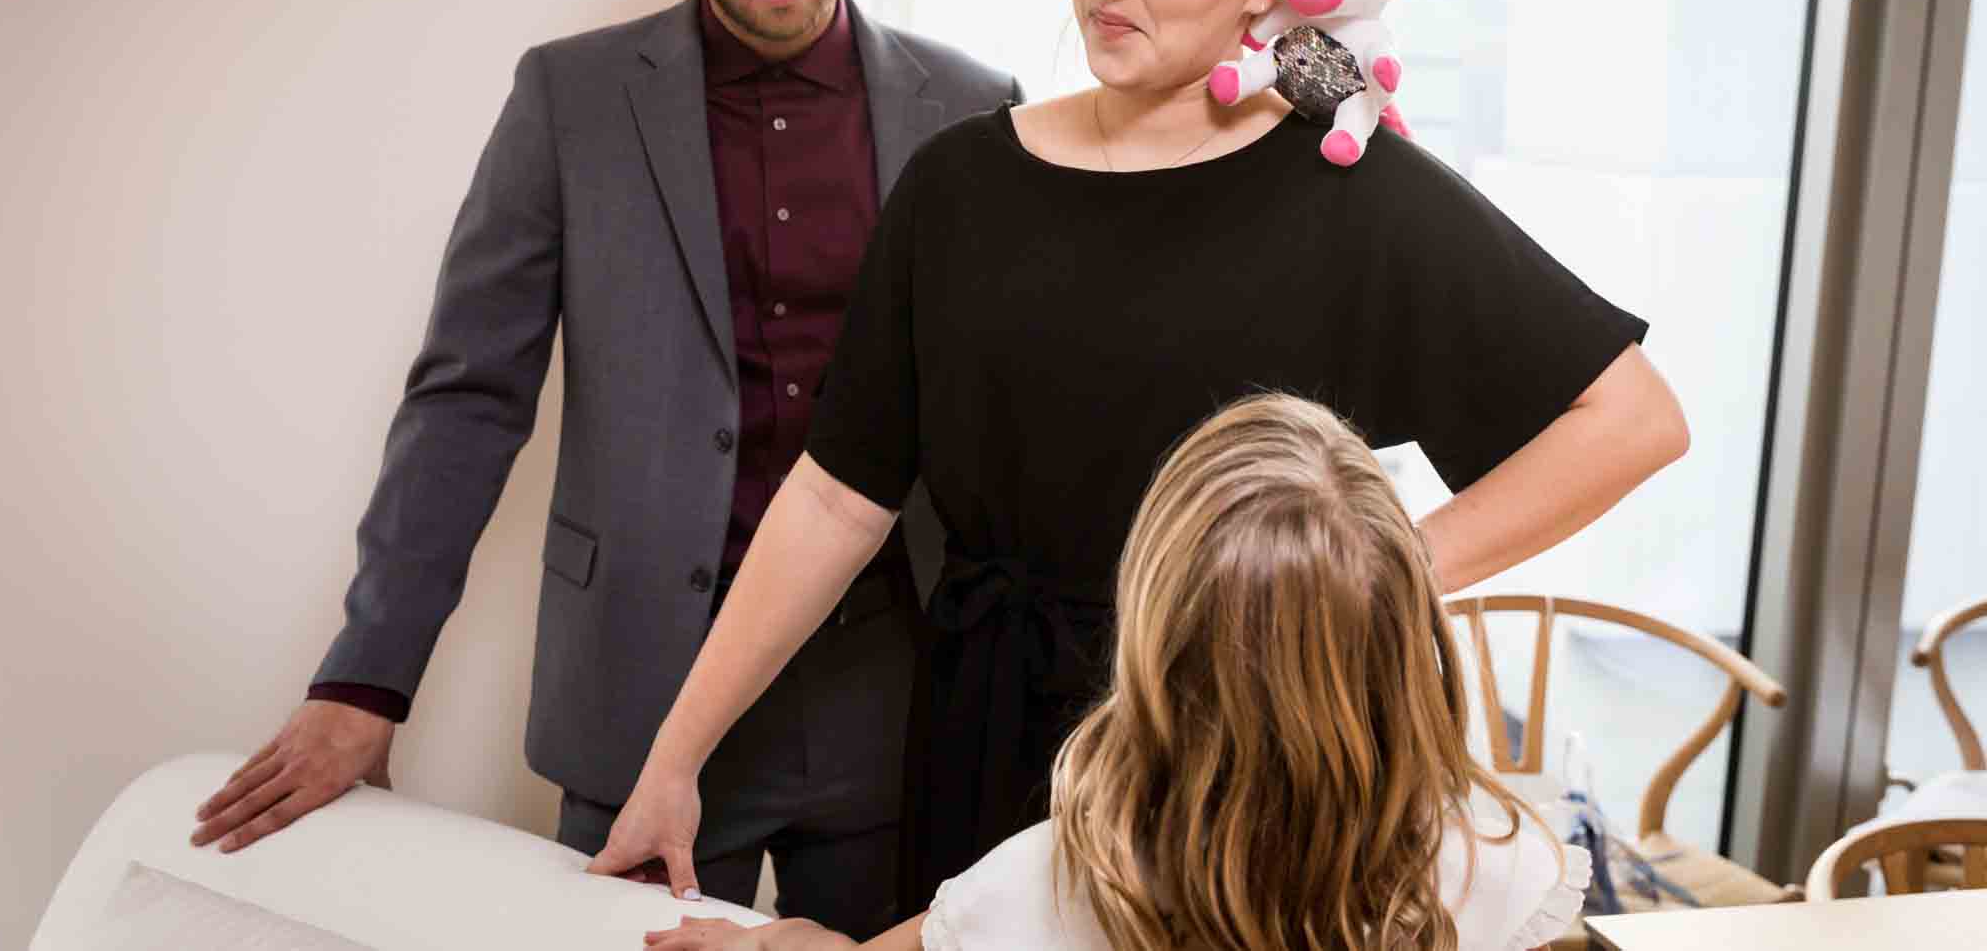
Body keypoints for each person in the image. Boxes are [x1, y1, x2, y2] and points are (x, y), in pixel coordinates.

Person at [592, 0, 1688, 911]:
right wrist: (677, 758)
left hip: (1225, 758)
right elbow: (835, 496)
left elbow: (1630, 419)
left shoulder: (1355, 197)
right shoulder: (961, 183)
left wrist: (1359, 578)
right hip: (979, 732)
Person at [185, 0, 1020, 937]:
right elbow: (468, 399)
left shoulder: (971, 106)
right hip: (641, 686)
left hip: (894, 698)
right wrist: (367, 678)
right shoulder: (567, 100)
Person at [639, 393, 1592, 950]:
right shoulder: (1507, 876)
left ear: (1152, 639)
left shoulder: (1049, 885)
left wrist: (790, 939)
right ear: (1398, 641)